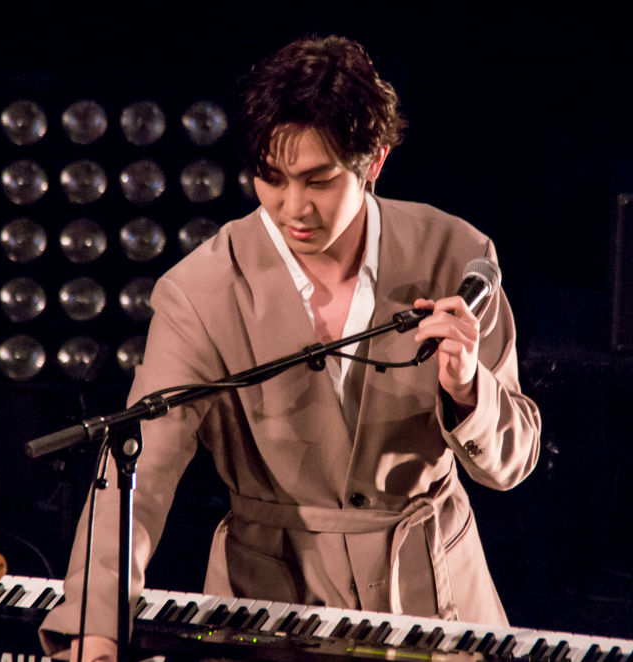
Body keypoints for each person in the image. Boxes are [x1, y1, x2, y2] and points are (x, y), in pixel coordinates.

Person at [39, 34, 541, 660]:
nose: (293, 208)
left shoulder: (456, 254)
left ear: (374, 162)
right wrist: (96, 631)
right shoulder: (202, 292)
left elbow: (512, 464)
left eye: (319, 181)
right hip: (272, 614)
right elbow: (142, 473)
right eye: (271, 179)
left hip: (437, 602)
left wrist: (469, 389)